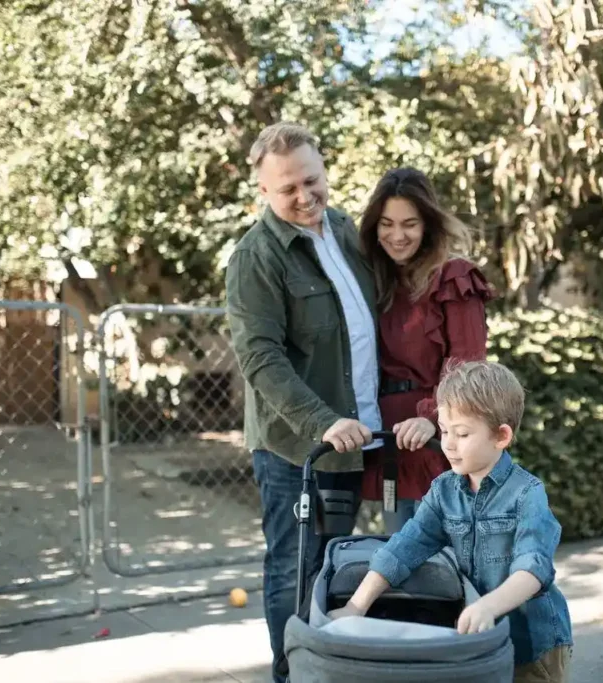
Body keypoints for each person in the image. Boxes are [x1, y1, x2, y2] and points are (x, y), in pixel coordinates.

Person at [225, 122, 408, 683]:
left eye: (311, 180)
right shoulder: (256, 258)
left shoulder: (347, 232)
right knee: (293, 572)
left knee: (336, 570)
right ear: (263, 191)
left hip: (358, 443)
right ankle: (291, 677)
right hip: (298, 450)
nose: (304, 197)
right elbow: (261, 360)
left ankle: (326, 672)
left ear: (324, 170)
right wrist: (324, 422)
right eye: (288, 190)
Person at [328, 360, 574, 683]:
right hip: (478, 641)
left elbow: (533, 567)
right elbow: (404, 547)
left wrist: (488, 606)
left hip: (534, 648)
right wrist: (356, 606)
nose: (448, 443)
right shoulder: (444, 491)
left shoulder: (527, 494)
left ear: (501, 436)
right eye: (444, 430)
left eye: (462, 433)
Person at [357, 167, 494, 532]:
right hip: (388, 442)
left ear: (428, 225)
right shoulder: (378, 281)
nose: (397, 236)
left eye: (410, 224)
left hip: (438, 439)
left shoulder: (453, 276)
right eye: (386, 224)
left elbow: (467, 366)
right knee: (397, 566)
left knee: (446, 569)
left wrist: (431, 417)